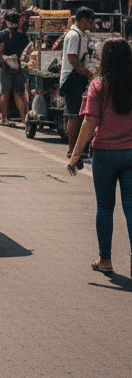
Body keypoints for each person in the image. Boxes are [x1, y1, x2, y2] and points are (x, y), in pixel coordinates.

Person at [66, 38, 132, 276]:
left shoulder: (98, 86)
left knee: (105, 208)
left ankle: (105, 259)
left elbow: (89, 122)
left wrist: (74, 156)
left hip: (105, 156)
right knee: (131, 208)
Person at [60, 6, 97, 160]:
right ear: (82, 20)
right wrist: (89, 74)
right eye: (90, 22)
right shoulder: (74, 35)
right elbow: (73, 59)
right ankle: (71, 150)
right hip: (72, 78)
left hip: (79, 77)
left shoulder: (82, 34)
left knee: (80, 113)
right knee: (74, 114)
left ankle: (78, 149)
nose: (91, 25)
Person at [0, 11, 29, 128]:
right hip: (19, 66)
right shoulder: (23, 36)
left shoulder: (2, 35)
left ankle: (4, 118)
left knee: (5, 92)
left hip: (5, 67)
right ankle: (24, 119)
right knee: (17, 93)